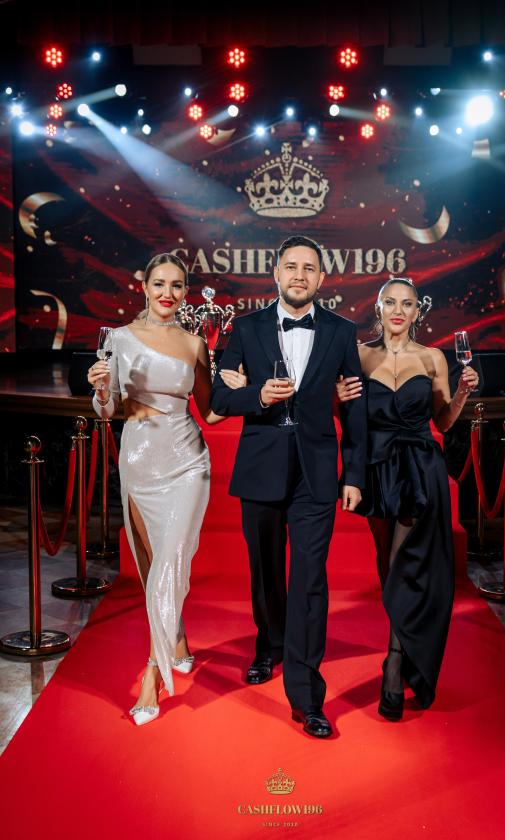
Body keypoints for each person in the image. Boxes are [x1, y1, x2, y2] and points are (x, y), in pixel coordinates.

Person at [210, 235, 366, 738]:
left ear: (322, 278)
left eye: (309, 268)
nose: (300, 275)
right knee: (265, 571)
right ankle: (269, 644)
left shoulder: (342, 331)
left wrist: (354, 474)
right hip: (261, 467)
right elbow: (217, 399)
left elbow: (355, 407)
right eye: (291, 266)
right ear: (276, 273)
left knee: (310, 580)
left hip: (315, 473)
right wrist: (257, 395)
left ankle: (307, 696)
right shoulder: (246, 328)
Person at [87, 253, 244, 726]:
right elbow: (108, 410)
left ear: (185, 292)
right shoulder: (118, 339)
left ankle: (153, 672)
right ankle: (177, 639)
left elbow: (210, 412)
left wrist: (239, 388)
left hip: (188, 461)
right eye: (159, 284)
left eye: (177, 285)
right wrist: (100, 391)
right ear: (144, 287)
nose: (168, 293)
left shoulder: (195, 344)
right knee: (155, 564)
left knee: (172, 560)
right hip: (139, 458)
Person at [336, 276, 478, 721]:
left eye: (408, 303)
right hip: (377, 469)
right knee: (388, 563)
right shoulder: (359, 355)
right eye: (391, 302)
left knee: (403, 563)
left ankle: (395, 666)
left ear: (418, 311)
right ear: (378, 308)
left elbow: (443, 421)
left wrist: (462, 393)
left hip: (419, 470)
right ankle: (406, 645)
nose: (399, 310)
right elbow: (347, 418)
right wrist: (336, 399)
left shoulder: (432, 357)